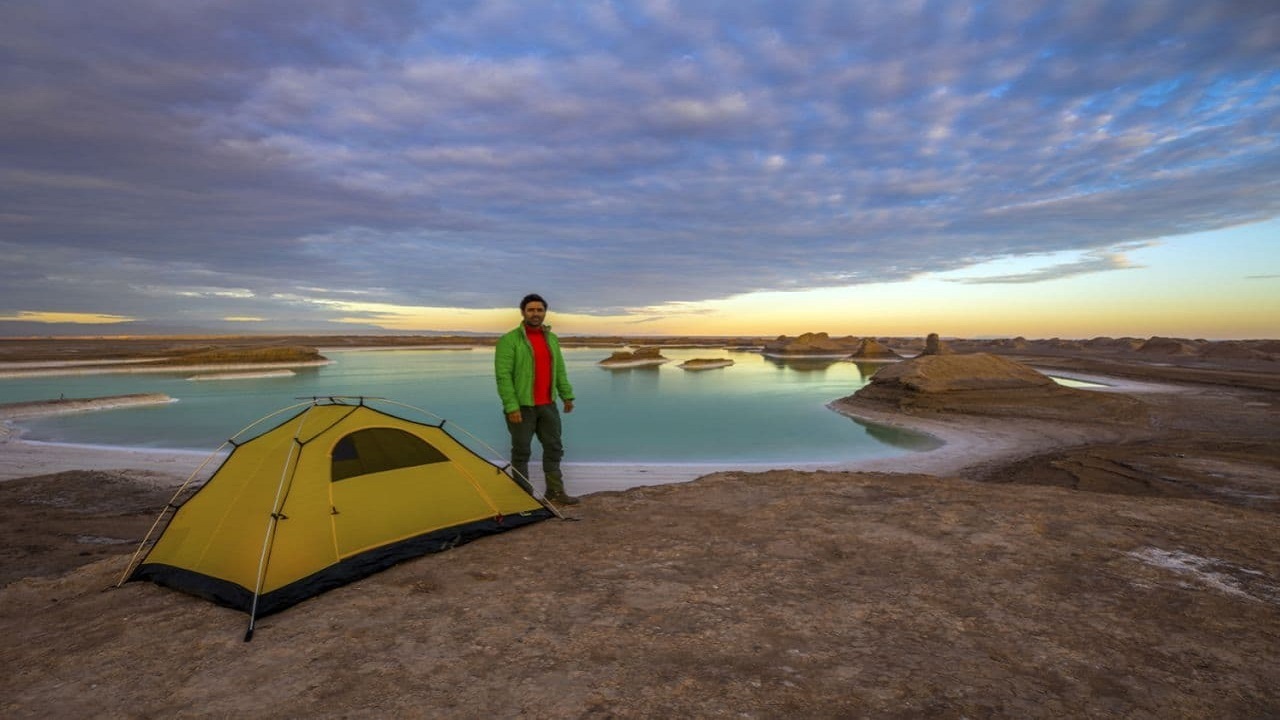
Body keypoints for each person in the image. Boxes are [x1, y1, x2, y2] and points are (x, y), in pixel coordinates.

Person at [494, 293, 579, 505]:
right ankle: (523, 498)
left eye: (539, 310)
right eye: (531, 310)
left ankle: (555, 492)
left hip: (547, 405)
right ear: (523, 312)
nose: (535, 313)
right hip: (522, 407)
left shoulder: (551, 339)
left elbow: (559, 370)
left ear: (545, 312)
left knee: (554, 448)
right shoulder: (509, 340)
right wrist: (511, 406)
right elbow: (503, 376)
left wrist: (566, 395)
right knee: (521, 451)